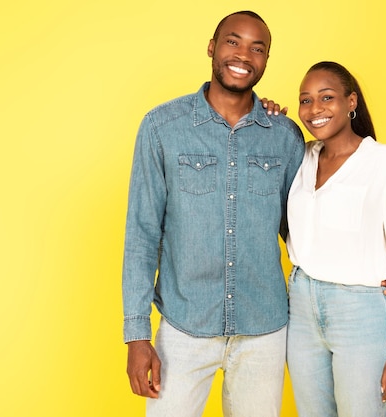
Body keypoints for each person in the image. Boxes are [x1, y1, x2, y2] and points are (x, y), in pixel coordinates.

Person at [122, 11, 306, 417]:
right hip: (184, 327)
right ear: (212, 47)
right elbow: (142, 233)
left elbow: (306, 232)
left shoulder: (285, 136)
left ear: (266, 61)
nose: (244, 54)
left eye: (257, 48)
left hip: (264, 330)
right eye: (233, 41)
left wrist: (366, 276)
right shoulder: (161, 127)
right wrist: (136, 335)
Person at [285, 61, 386, 416]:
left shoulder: (384, 162)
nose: (314, 109)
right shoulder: (299, 157)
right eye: (306, 100)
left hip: (360, 311)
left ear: (351, 102)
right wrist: (268, 113)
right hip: (301, 306)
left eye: (326, 97)